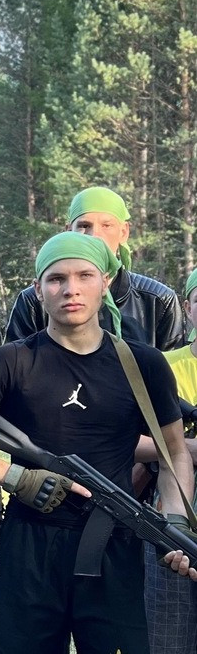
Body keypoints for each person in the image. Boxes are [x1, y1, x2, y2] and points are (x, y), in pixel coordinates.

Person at [0, 231, 197, 654]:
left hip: (115, 546)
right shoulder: (14, 360)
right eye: (56, 278)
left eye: (84, 275)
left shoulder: (144, 364)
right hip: (29, 545)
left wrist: (174, 521)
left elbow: (174, 451)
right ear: (38, 290)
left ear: (105, 283)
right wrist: (17, 478)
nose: (71, 289)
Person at [6, 186, 184, 350]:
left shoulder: (157, 301)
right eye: (84, 226)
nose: (94, 235)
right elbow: (13, 367)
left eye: (106, 226)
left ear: (123, 232)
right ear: (69, 230)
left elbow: (174, 368)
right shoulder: (34, 301)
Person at [144, 266, 197, 653]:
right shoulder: (161, 365)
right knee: (169, 637)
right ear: (188, 308)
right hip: (173, 509)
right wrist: (188, 449)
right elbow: (132, 436)